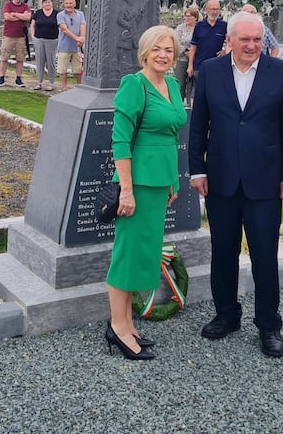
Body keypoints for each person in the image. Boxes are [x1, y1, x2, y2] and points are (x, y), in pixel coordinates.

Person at [189, 10, 283, 358]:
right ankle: (226, 314)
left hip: (265, 180)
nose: (252, 45)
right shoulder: (210, 71)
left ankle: (269, 324)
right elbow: (198, 125)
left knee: (264, 256)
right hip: (221, 178)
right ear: (230, 40)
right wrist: (197, 170)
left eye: (257, 39)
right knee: (223, 252)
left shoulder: (280, 73)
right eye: (245, 39)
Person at [104, 25, 187, 361]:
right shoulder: (133, 86)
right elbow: (121, 141)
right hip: (136, 184)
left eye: (169, 50)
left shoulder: (172, 85)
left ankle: (125, 324)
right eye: (157, 49)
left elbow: (170, 135)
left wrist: (173, 181)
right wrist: (126, 190)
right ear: (145, 52)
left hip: (159, 182)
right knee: (127, 253)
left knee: (143, 253)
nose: (163, 55)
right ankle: (118, 327)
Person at [186, 0, 227, 82]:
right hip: (199, 65)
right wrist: (190, 65)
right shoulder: (199, 26)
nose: (215, 12)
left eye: (217, 9)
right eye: (213, 9)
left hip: (217, 65)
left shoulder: (224, 26)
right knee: (198, 91)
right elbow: (193, 47)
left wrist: (225, 50)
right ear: (206, 10)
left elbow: (232, 42)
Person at [0, 0, 30, 87]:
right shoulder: (8, 5)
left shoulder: (26, 6)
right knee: (4, 57)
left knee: (20, 58)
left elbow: (28, 17)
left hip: (21, 36)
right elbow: (7, 17)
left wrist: (15, 14)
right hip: (8, 35)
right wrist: (21, 17)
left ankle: (18, 78)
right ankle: (2, 77)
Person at [29, 0, 58, 91]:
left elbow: (61, 27)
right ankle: (39, 82)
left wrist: (58, 38)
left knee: (51, 62)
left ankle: (51, 83)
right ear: (43, 4)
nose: (47, 4)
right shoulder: (38, 13)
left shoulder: (57, 14)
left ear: (52, 3)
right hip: (39, 40)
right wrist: (33, 37)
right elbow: (32, 25)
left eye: (49, 2)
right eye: (45, 2)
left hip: (52, 40)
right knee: (40, 62)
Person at [57, 0, 86, 90]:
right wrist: (77, 38)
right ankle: (64, 87)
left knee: (78, 69)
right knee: (62, 69)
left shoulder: (80, 14)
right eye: (66, 3)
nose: (68, 5)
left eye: (70, 3)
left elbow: (82, 26)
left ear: (74, 4)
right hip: (64, 46)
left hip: (76, 47)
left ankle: (79, 87)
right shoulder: (60, 15)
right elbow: (64, 29)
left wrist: (81, 38)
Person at [175, 5, 199, 105]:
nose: (187, 18)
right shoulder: (180, 28)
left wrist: (194, 52)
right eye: (186, 16)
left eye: (190, 16)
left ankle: (190, 106)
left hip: (196, 60)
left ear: (195, 18)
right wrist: (186, 50)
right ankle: (178, 105)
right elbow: (175, 42)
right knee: (180, 83)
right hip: (182, 59)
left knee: (193, 84)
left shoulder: (199, 28)